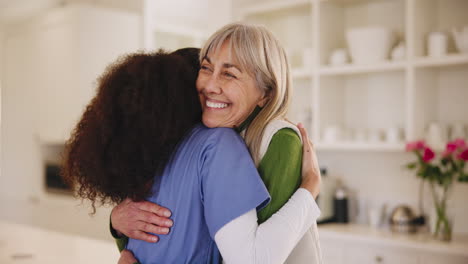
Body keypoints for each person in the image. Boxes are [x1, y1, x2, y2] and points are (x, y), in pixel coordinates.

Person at [62, 48, 321, 263]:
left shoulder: (157, 151)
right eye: (207, 71)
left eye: (227, 74)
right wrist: (311, 186)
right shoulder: (215, 145)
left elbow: (140, 247)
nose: (214, 86)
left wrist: (117, 225)